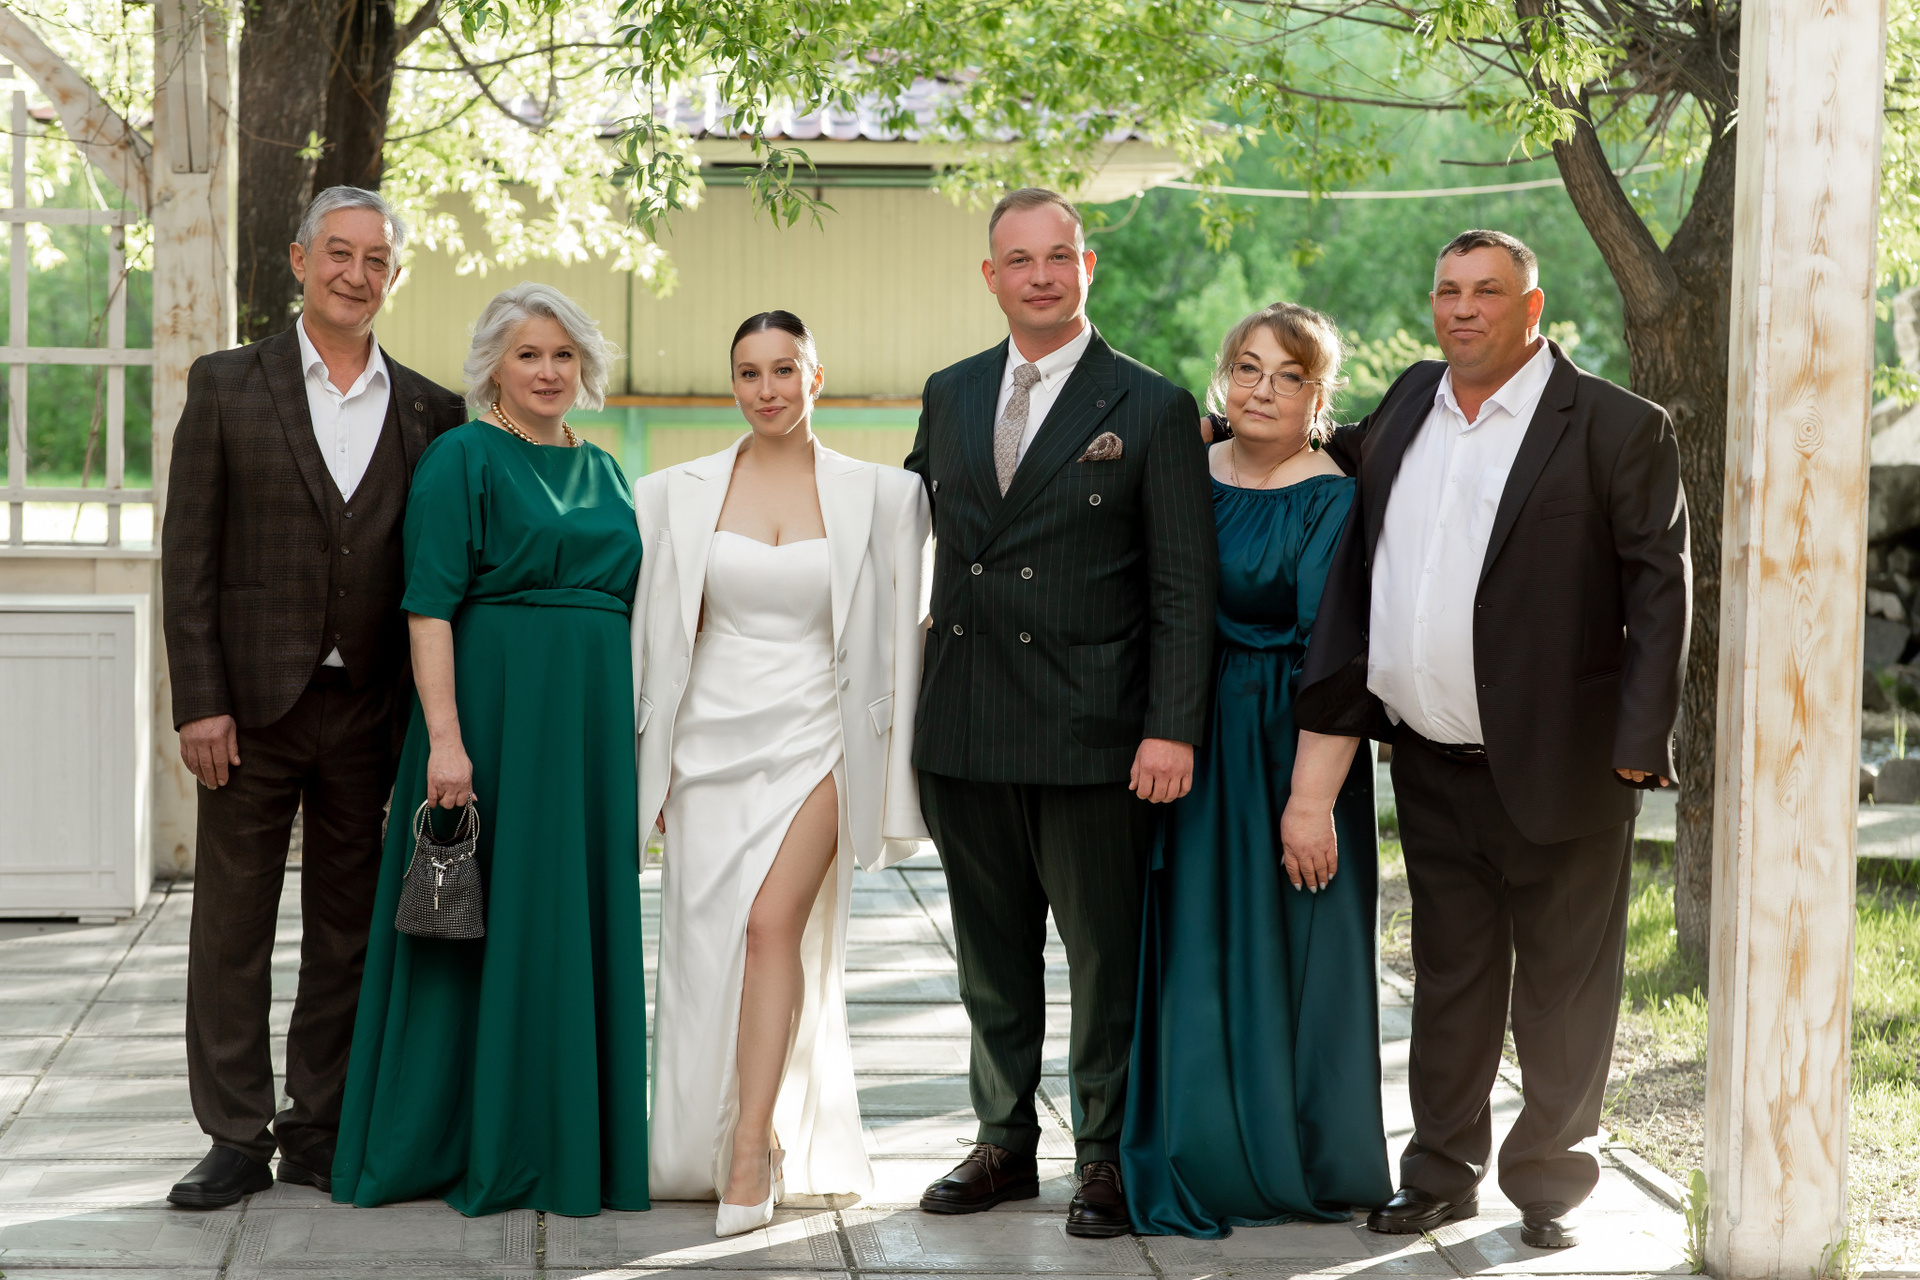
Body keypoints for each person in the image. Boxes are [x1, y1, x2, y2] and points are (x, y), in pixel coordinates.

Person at [1297, 230, 1690, 1249]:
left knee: (1563, 993)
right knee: (1451, 982)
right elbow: (1319, 444)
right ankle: (1440, 1173)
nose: (1463, 308)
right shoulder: (1407, 403)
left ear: (1532, 306)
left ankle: (1551, 1182)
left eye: (1486, 291)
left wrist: (1641, 739)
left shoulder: (1615, 425)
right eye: (1448, 291)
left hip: (1569, 763)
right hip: (1429, 761)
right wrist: (1215, 423)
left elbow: (1660, 590)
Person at [904, 188, 1218, 1239]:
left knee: (1102, 959)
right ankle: (1002, 1141)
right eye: (1019, 259)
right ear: (989, 276)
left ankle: (1104, 1156)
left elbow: (1183, 585)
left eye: (1058, 256)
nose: (1039, 275)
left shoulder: (1151, 404)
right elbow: (904, 537)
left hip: (1096, 729)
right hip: (965, 720)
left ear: (1088, 268)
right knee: (990, 957)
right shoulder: (949, 392)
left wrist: (1171, 726)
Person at [161, 186, 468, 1209]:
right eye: (338, 253)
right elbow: (188, 557)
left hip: (371, 711)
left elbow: (436, 575)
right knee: (232, 926)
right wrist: (198, 700)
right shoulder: (226, 384)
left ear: (394, 276)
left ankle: (318, 1127)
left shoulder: (430, 409)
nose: (355, 273)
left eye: (376, 259)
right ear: (300, 260)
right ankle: (233, 1135)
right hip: (247, 712)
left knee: (347, 931)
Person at [330, 283, 650, 1217]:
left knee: (567, 925)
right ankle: (474, 1142)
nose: (548, 372)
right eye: (527, 355)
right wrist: (446, 742)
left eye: (563, 354)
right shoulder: (462, 457)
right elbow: (429, 607)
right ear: (493, 368)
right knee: (474, 932)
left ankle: (565, 1140)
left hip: (585, 736)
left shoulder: (606, 469)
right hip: (494, 724)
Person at [633, 310, 931, 1235]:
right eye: (750, 372)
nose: (767, 388)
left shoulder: (887, 496)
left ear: (816, 376)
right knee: (703, 950)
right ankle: (702, 1135)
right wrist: (652, 767)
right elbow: (654, 641)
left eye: (785, 369)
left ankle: (751, 1146)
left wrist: (896, 777)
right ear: (733, 383)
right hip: (707, 745)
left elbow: (905, 643)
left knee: (771, 928)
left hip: (824, 737)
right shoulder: (669, 494)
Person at [1120, 303, 1393, 1237]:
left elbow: (1340, 657)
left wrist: (1309, 802)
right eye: (1247, 369)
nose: (1263, 390)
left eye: (1288, 376)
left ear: (1319, 397)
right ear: (1223, 379)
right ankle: (1198, 1143)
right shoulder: (1185, 474)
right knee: (1196, 941)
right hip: (1189, 738)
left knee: (1296, 943)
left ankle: (1302, 1153)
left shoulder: (1332, 497)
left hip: (1294, 741)